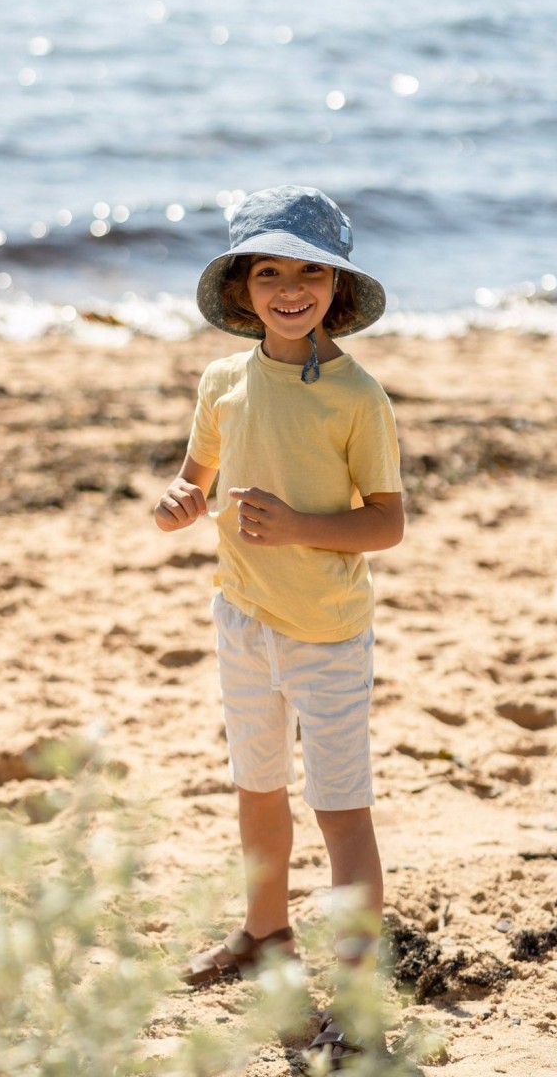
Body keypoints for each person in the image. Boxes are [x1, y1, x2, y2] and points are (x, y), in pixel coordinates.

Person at [153, 184, 404, 1065]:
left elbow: (386, 522)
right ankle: (265, 933)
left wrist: (299, 527)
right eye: (270, 271)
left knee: (340, 812)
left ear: (336, 288)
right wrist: (182, 502)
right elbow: (199, 473)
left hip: (327, 632)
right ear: (242, 288)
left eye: (310, 273)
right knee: (256, 788)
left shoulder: (357, 398)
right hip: (242, 617)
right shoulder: (224, 378)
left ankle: (361, 998)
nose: (290, 288)